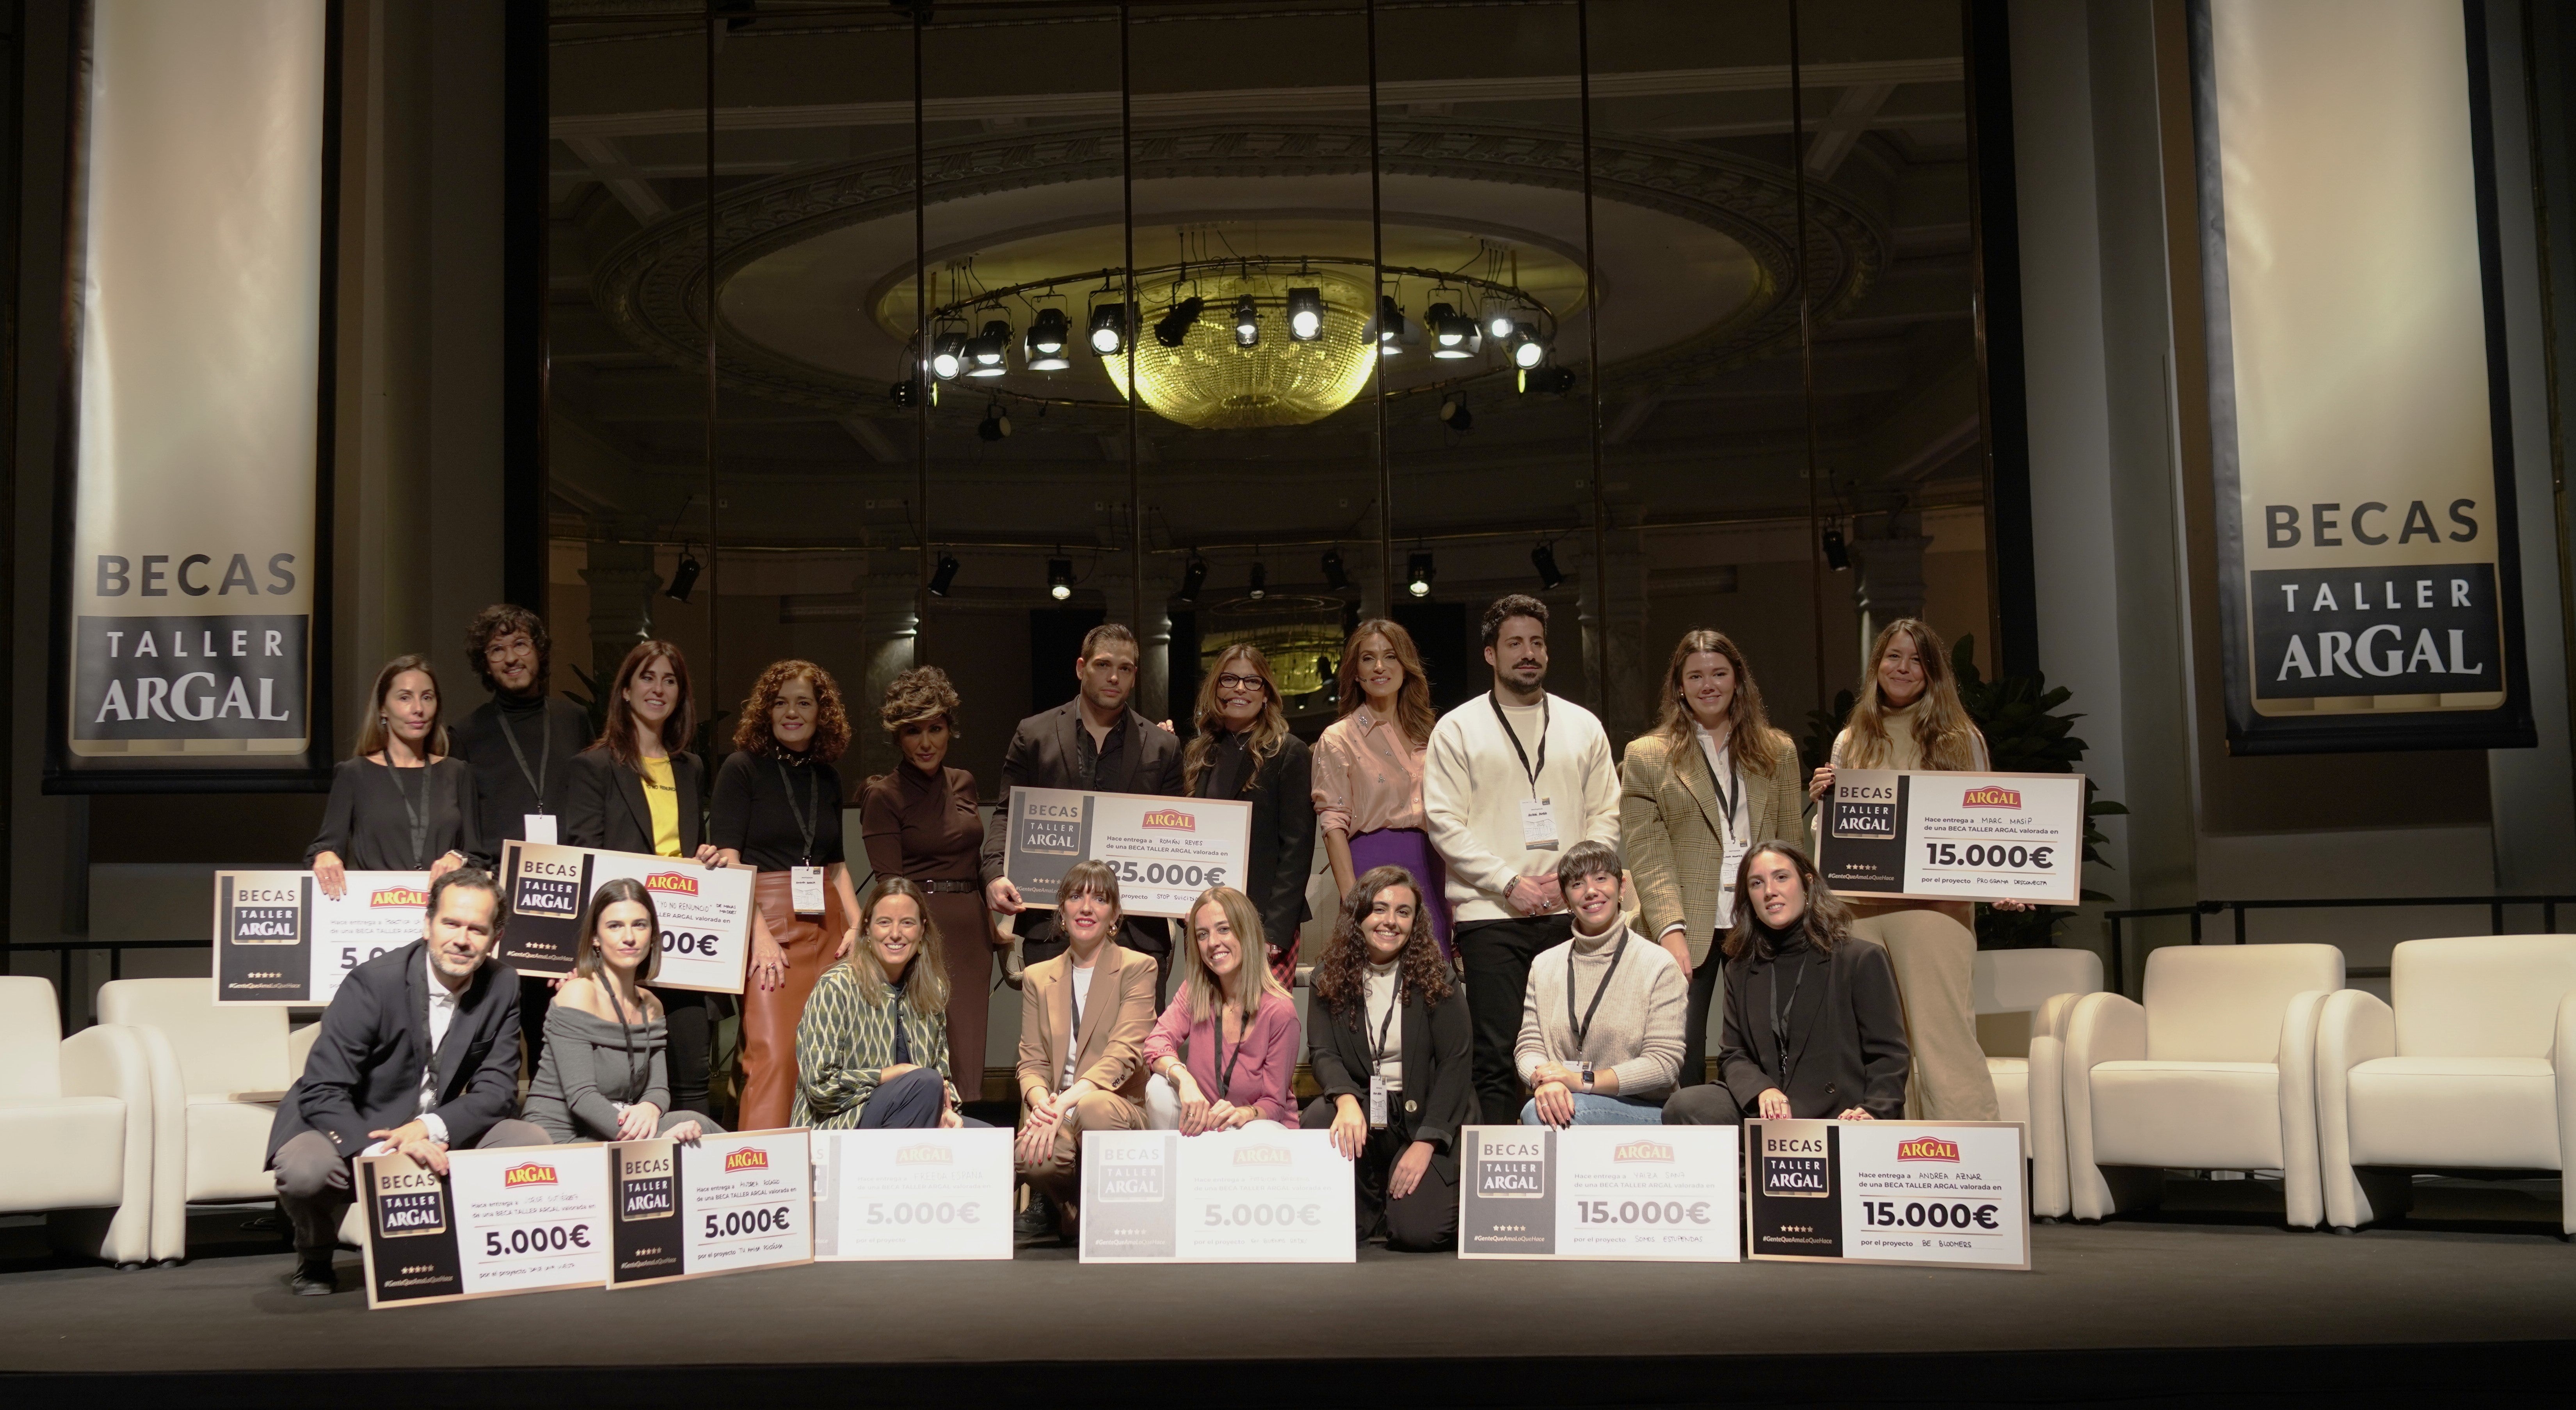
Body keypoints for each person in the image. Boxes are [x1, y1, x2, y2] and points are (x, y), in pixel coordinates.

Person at [265, 868, 546, 1296]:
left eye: (477, 929)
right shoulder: (373, 982)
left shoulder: (502, 983)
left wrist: (426, 1129)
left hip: (431, 1125)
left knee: (527, 1141)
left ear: (496, 936)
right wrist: (383, 1146)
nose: (462, 938)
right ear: (427, 923)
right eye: (451, 923)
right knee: (306, 1170)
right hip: (351, 1120)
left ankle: (470, 1253)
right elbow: (324, 1089)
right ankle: (315, 1255)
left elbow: (496, 1091)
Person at [1423, 595, 1620, 1126]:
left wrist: (1573, 881)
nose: (1527, 654)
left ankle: (1575, 1159)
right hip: (1492, 915)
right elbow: (1444, 822)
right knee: (1496, 1054)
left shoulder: (1582, 726)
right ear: (1490, 654)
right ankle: (1504, 1169)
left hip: (1571, 913)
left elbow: (1607, 813)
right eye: (1514, 644)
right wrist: (1509, 882)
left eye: (1536, 643)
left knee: (1577, 1047)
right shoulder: (1458, 729)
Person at [1805, 617, 2004, 1121]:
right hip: (1860, 912)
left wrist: (2004, 879)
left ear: (1932, 672)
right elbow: (1830, 839)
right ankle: (1886, 1169)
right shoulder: (1850, 740)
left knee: (1943, 1042)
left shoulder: (1961, 738)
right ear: (1877, 666)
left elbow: (1988, 821)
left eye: (1916, 659)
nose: (1903, 667)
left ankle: (1969, 1164)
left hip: (1934, 911)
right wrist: (1821, 804)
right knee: (1873, 1046)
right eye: (1894, 656)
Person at [1621, 629, 1805, 1090]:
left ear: (1737, 679)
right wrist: (1670, 929)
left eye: (1719, 673)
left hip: (1758, 917)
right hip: (1686, 923)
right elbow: (1647, 851)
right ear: (1679, 686)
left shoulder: (1777, 750)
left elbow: (1790, 840)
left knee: (1765, 1046)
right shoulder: (1648, 756)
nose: (1709, 684)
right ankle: (1684, 1149)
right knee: (1677, 1052)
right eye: (1696, 675)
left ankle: (1756, 1148)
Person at [561, 640, 724, 1122]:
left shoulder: (690, 768)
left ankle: (696, 1185)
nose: (659, 689)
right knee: (624, 1080)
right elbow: (585, 861)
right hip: (624, 946)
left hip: (685, 944)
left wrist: (707, 856)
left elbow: (685, 848)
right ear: (626, 690)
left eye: (670, 679)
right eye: (648, 677)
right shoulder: (593, 767)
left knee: (694, 1074)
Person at [981, 623, 1186, 992]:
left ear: (1134, 677)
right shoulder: (1034, 734)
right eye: (1103, 665)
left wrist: (1190, 896)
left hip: (1136, 932)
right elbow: (1007, 813)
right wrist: (995, 874)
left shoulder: (1162, 747)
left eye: (1125, 669)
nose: (1114, 677)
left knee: (1134, 1048)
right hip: (1052, 926)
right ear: (1081, 668)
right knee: (1056, 1045)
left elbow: (1175, 833)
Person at [715, 659, 863, 1131]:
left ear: (822, 713)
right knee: (774, 1054)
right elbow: (729, 858)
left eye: (803, 702)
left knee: (831, 1054)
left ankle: (822, 1168)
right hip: (768, 922)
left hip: (828, 923)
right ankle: (760, 1173)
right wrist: (757, 935)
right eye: (781, 703)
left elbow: (836, 865)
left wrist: (859, 926)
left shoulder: (827, 776)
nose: (791, 713)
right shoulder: (741, 768)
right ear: (766, 711)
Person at [1664, 842, 1909, 1126]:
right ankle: (1749, 1168)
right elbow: (1734, 1054)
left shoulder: (1860, 959)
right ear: (1749, 899)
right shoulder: (1740, 969)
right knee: (1686, 1105)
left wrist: (1875, 1109)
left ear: (1807, 885)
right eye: (1757, 883)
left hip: (1840, 1110)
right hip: (1767, 1108)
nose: (1770, 891)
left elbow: (1888, 1054)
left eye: (1781, 877)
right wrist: (1762, 1090)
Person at [450, 605, 599, 1073]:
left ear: (539, 652)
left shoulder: (575, 719)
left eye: (520, 645)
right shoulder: (468, 733)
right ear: (485, 664)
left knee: (558, 1026)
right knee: (492, 1029)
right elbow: (463, 818)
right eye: (496, 649)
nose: (511, 657)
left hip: (568, 894)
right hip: (501, 899)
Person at [1303, 865, 1471, 1251]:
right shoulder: (1328, 975)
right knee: (1319, 1116)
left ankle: (1402, 1201)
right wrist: (1344, 1098)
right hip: (1365, 1109)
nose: (1390, 921)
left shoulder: (1436, 976)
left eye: (1403, 911)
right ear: (1358, 914)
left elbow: (1455, 1064)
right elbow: (1324, 1051)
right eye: (1379, 909)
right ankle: (1368, 1207)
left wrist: (1427, 1142)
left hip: (1428, 1114)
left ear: (1415, 920)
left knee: (1418, 1232)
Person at [860, 667, 1005, 1112]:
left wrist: (993, 921)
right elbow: (890, 886)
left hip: (970, 933)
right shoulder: (884, 795)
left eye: (936, 728)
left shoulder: (963, 781)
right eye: (913, 731)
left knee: (967, 1046)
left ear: (949, 730)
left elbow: (976, 860)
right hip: (922, 935)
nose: (926, 742)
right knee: (924, 1046)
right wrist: (909, 934)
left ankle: (962, 1138)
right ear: (898, 737)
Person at [1013, 860, 1159, 1244]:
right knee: (1030, 1156)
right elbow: (1031, 1061)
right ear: (1062, 910)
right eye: (1076, 896)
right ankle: (1078, 1209)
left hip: (1117, 1109)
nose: (1086, 906)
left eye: (1099, 898)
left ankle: (1107, 1212)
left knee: (1094, 1107)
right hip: (1059, 1112)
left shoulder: (1138, 966)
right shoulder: (1037, 976)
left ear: (1115, 914)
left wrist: (1065, 1104)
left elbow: (1124, 1054)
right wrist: (1043, 1105)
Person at [523, 877, 723, 1144]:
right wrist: (660, 1140)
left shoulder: (651, 1004)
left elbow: (658, 1089)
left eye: (639, 925)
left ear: (652, 935)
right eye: (615, 926)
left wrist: (650, 1108)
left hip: (617, 1128)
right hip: (562, 1136)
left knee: (700, 1127)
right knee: (680, 1143)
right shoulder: (578, 993)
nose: (629, 937)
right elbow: (582, 1097)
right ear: (595, 937)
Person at [1514, 840, 1687, 1126]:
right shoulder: (1544, 965)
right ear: (1567, 900)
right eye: (1577, 884)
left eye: (1601, 878)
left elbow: (1663, 1065)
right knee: (1542, 1107)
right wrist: (1545, 1081)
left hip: (1643, 1107)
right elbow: (1529, 1046)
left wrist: (1580, 1081)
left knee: (1539, 1114)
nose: (1590, 891)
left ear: (1621, 889)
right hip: (1569, 1098)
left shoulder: (1658, 964)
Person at [796, 877, 985, 1130]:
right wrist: (894, 1074)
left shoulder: (932, 991)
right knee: (924, 1081)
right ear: (867, 930)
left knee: (988, 1138)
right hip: (841, 1124)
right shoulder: (836, 987)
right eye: (884, 923)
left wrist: (946, 1111)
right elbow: (821, 1087)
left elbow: (943, 1078)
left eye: (907, 923)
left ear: (922, 931)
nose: (895, 934)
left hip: (915, 1111)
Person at [1312, 618, 1451, 954]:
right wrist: (1352, 902)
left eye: (1390, 657)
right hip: (1369, 872)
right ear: (1355, 672)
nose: (1379, 667)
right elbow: (1333, 824)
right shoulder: (1338, 738)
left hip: (1432, 869)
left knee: (1432, 985)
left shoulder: (1434, 735)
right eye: (1367, 658)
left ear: (1405, 667)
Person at [1181, 644, 1314, 985]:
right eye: (1229, 679)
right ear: (1216, 689)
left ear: (1266, 693)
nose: (1240, 689)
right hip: (1207, 922)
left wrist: (1275, 930)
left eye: (1252, 682)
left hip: (1263, 925)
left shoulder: (1288, 752)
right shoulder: (1200, 753)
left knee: (1262, 1031)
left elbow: (1296, 850)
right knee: (1210, 1027)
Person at [308, 655, 489, 899]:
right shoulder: (354, 774)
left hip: (443, 911)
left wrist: (458, 859)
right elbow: (326, 846)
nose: (419, 708)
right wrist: (325, 856)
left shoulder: (457, 772)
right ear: (383, 708)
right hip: (375, 911)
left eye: (427, 697)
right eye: (405, 698)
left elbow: (477, 857)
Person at [1142, 886, 1298, 1133]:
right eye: (1202, 935)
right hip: (1204, 1122)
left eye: (1224, 929)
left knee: (1261, 1131)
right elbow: (1156, 1042)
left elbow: (1275, 1104)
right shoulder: (1195, 990)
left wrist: (1242, 1114)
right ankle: (1178, 1168)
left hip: (1256, 1125)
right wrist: (1185, 1080)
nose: (1213, 943)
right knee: (1158, 1088)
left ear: (1246, 933)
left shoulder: (1280, 1010)